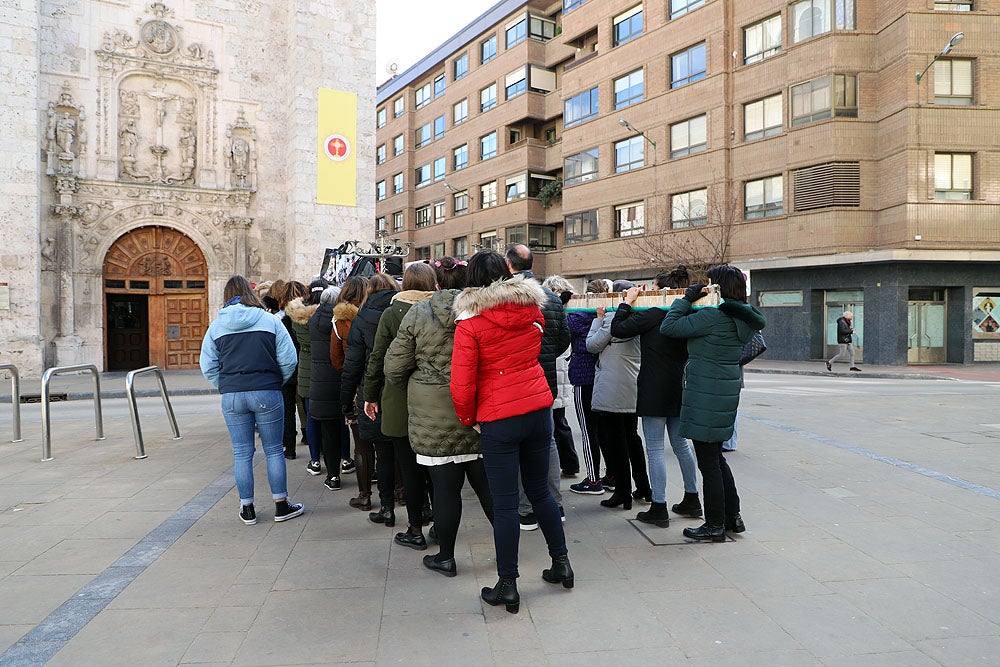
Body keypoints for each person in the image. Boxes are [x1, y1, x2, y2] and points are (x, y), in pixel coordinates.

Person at [451, 250, 572, 615]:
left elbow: (461, 384)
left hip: (498, 415)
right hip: (537, 406)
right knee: (540, 491)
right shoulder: (531, 309)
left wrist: (468, 417)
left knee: (505, 504)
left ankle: (508, 584)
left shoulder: (469, 324)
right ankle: (561, 563)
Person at [385, 258, 494, 575]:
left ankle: (445, 556)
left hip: (432, 415)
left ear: (436, 284)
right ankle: (506, 554)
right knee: (488, 488)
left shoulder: (418, 313)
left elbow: (393, 367)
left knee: (445, 489)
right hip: (476, 410)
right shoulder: (482, 311)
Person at [660, 264, 766, 542]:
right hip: (724, 392)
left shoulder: (712, 316)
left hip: (705, 393)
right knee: (716, 458)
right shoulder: (740, 319)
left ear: (717, 287)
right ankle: (733, 517)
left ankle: (715, 525)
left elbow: (668, 327)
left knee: (708, 463)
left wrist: (686, 299)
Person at [199, 275, 303, 524]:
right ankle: (281, 504)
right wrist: (275, 381)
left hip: (233, 394)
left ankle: (247, 508)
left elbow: (207, 365)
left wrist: (226, 384)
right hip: (266, 389)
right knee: (274, 450)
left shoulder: (216, 326)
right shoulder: (269, 320)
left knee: (242, 453)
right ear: (250, 293)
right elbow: (289, 359)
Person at [610, 267, 701, 527]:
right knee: (681, 444)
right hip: (680, 387)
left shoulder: (654, 314)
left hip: (653, 388)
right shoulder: (689, 314)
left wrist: (627, 303)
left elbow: (618, 329)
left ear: (661, 290)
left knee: (654, 448)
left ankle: (658, 506)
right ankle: (692, 499)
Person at [364, 263, 437, 547]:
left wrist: (370, 395)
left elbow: (378, 358)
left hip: (398, 398)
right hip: (436, 399)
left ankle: (416, 528)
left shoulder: (392, 313)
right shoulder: (443, 310)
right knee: (437, 466)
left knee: (408, 467)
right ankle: (437, 520)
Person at [504, 245, 570, 531]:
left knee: (518, 446)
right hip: (545, 382)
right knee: (548, 442)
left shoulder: (506, 296)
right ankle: (555, 504)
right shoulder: (552, 298)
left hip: (516, 382)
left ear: (508, 264)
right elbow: (563, 341)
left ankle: (527, 509)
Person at [341, 273, 399, 526]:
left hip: (372, 393)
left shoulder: (363, 317)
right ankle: (411, 498)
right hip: (402, 390)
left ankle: (382, 505)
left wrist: (346, 401)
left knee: (380, 450)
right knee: (405, 452)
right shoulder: (403, 311)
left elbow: (352, 364)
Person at [586, 281, 649, 510]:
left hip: (612, 389)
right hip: (633, 385)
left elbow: (591, 345)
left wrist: (598, 319)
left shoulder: (613, 319)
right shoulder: (643, 318)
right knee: (633, 438)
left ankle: (623, 493)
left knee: (617, 442)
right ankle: (643, 487)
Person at [567, 279, 613, 495]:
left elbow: (563, 328)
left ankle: (593, 479)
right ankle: (611, 475)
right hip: (604, 375)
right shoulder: (609, 316)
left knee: (587, 431)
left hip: (582, 376)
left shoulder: (576, 317)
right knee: (605, 430)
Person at [331, 277, 372, 508]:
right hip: (380, 384)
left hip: (356, 386)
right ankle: (398, 492)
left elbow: (336, 360)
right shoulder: (376, 315)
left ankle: (364, 495)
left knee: (361, 444)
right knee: (389, 443)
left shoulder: (339, 323)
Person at [541, 275, 580, 478]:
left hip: (553, 369)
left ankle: (570, 463)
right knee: (560, 421)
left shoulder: (550, 308)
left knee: (556, 423)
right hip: (561, 368)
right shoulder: (569, 308)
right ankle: (571, 463)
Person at [286, 279, 325, 475]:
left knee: (311, 416)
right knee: (334, 420)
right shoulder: (329, 315)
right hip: (330, 370)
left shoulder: (298, 318)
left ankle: (315, 459)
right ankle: (341, 458)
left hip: (305, 369)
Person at [308, 284, 345, 491]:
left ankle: (333, 475)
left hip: (319, 381)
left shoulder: (312, 321)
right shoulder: (341, 321)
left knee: (328, 431)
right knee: (344, 427)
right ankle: (348, 461)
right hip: (340, 378)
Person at [273, 280, 308, 460]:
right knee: (308, 406)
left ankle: (290, 448)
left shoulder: (281, 320)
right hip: (306, 366)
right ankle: (315, 444)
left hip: (287, 367)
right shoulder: (308, 317)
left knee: (287, 408)